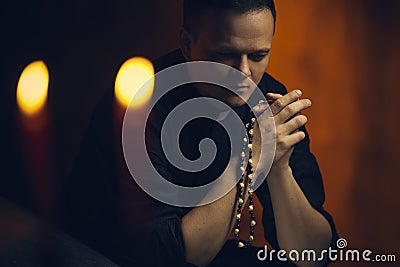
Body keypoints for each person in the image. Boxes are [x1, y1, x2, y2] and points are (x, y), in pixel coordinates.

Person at [61, 1, 338, 266]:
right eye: (224, 55)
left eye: (257, 56)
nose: (243, 73)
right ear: (187, 44)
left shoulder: (269, 104)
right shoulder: (139, 108)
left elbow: (313, 256)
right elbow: (174, 257)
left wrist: (277, 168)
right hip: (95, 254)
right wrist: (248, 157)